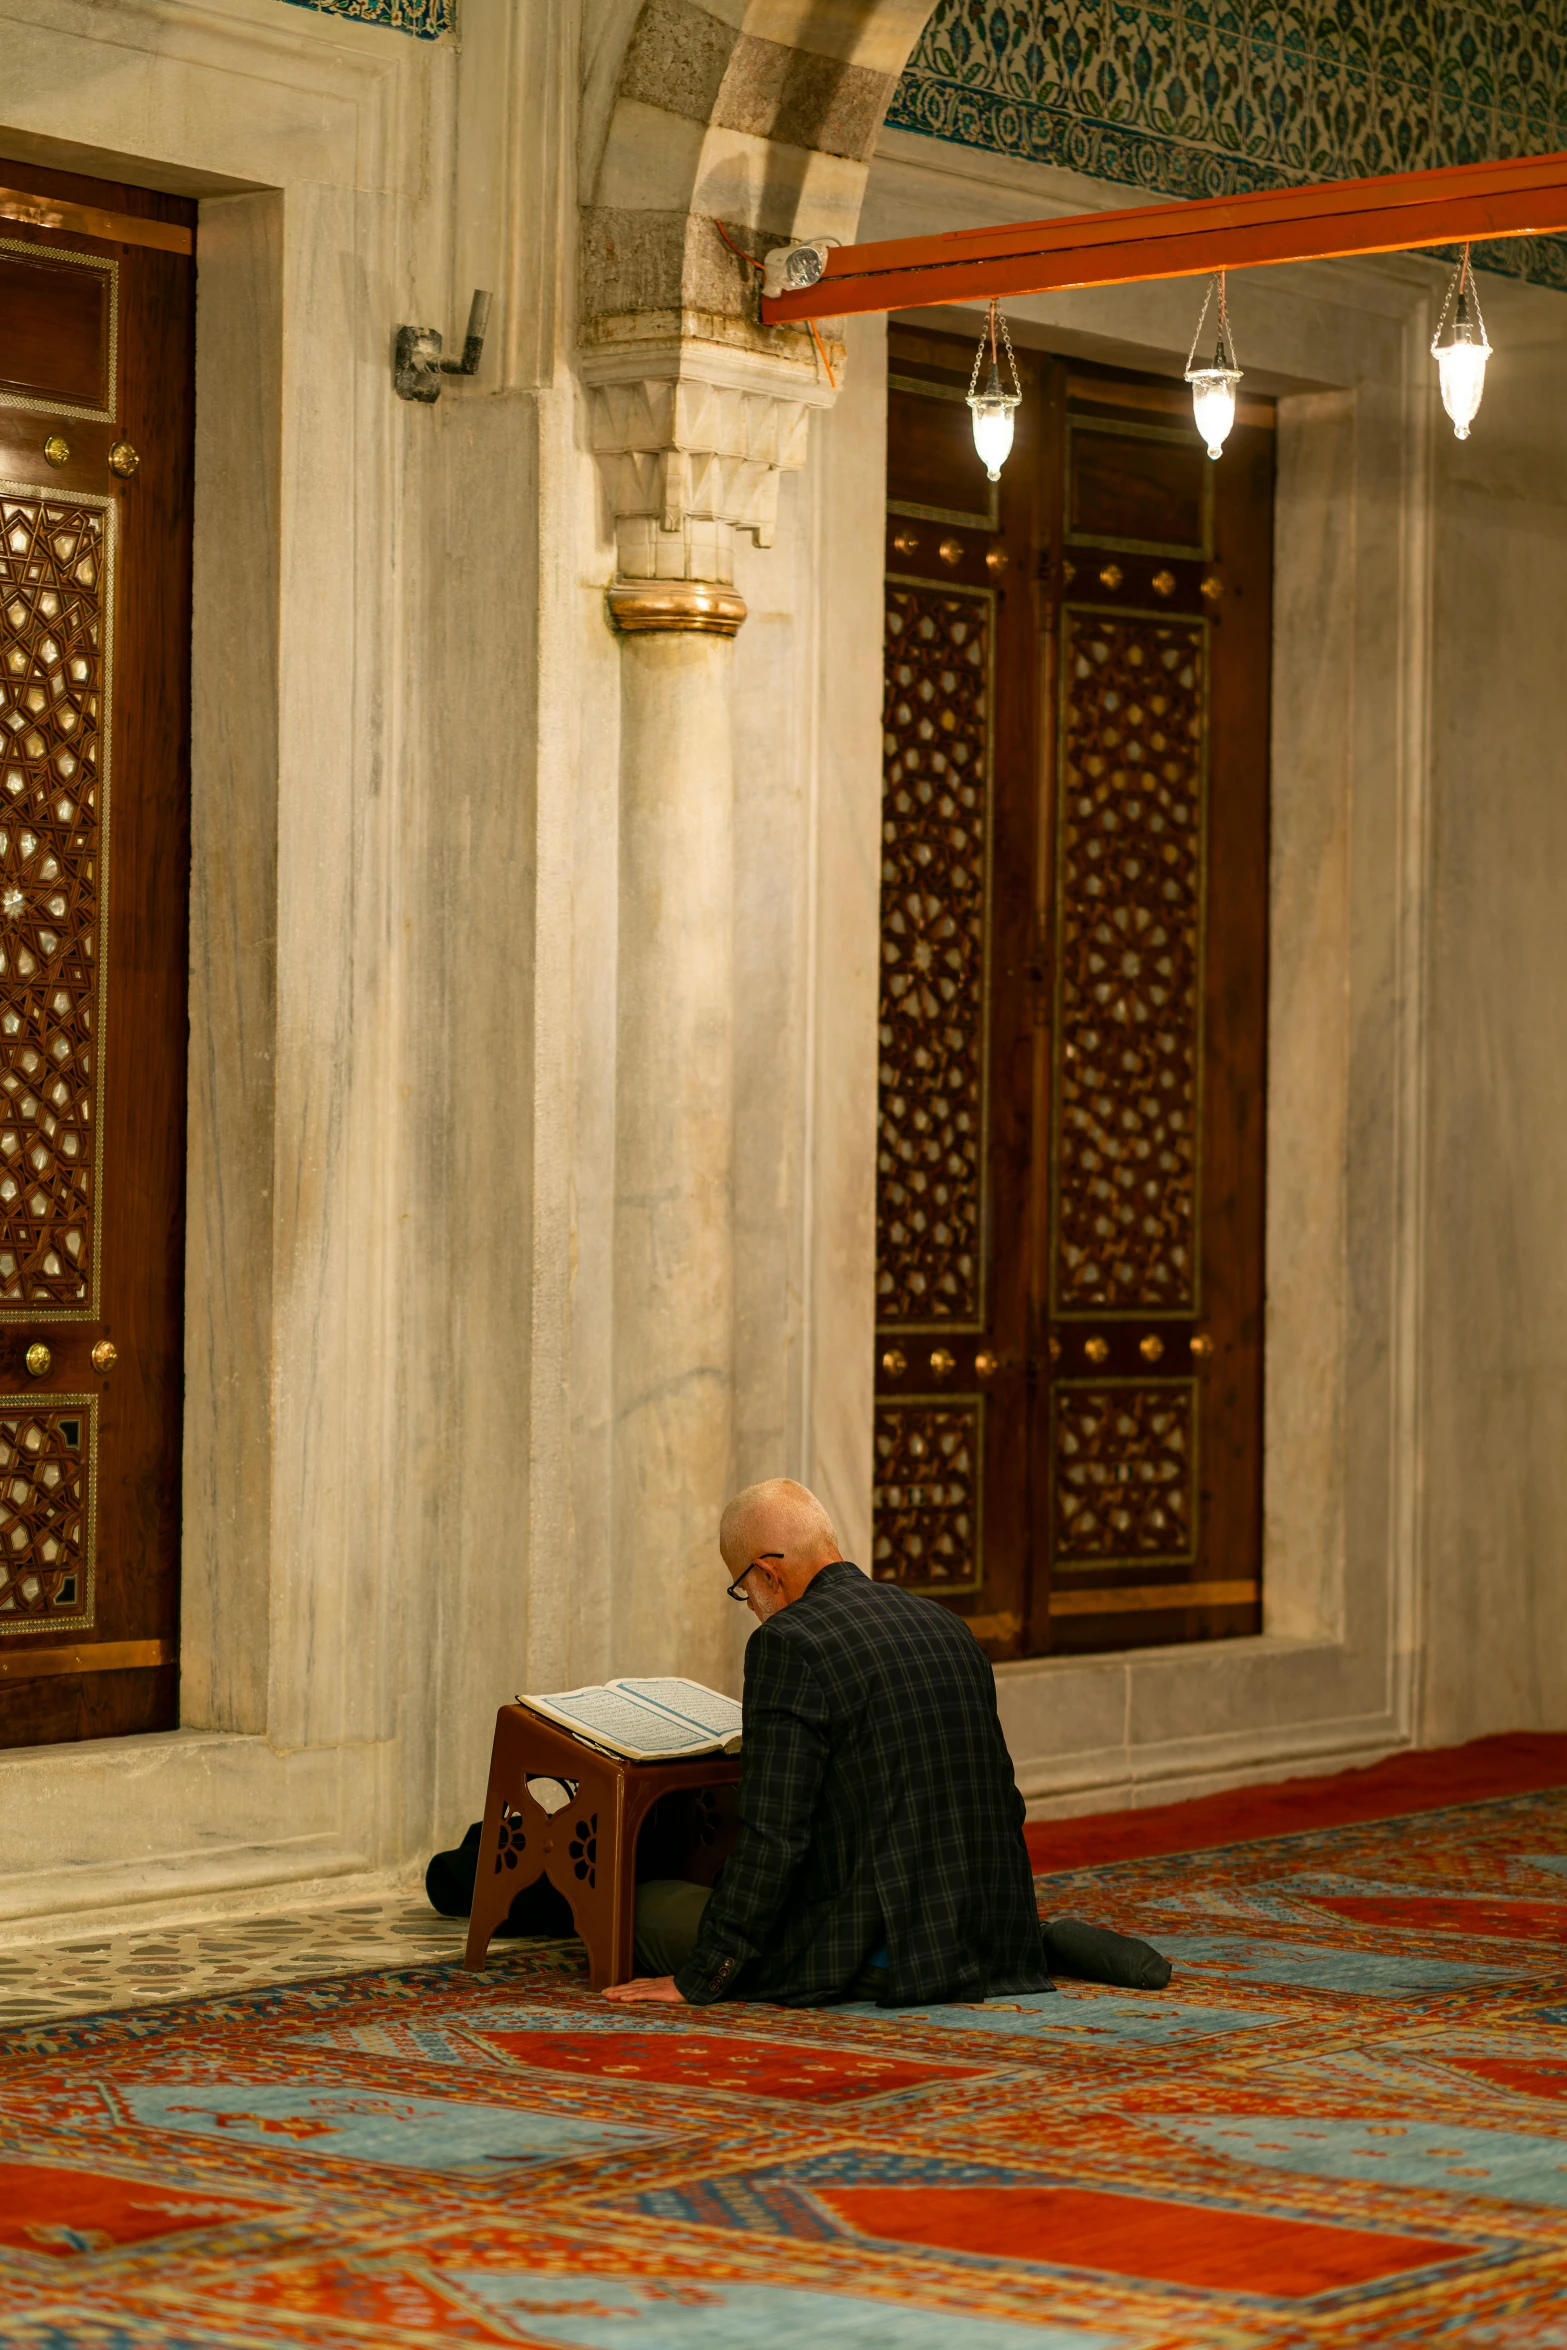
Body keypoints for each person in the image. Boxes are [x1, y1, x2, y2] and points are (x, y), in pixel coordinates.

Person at [605, 1478, 1169, 2009]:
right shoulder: (944, 1623)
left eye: (741, 1590)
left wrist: (705, 1974)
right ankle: (1043, 1939)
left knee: (639, 1905)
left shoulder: (787, 1643)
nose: (750, 1606)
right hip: (990, 1928)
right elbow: (1001, 1797)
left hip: (885, 1946)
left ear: (767, 1573)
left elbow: (775, 1837)